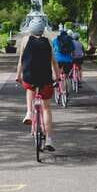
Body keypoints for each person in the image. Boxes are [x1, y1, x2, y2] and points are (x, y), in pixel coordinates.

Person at [17, 19, 60, 151]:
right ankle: (49, 140)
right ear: (43, 29)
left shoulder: (25, 40)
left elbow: (20, 61)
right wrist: (57, 77)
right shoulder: (48, 42)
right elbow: (54, 62)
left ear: (30, 29)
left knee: (29, 88)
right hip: (45, 78)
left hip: (29, 76)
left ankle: (29, 112)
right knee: (46, 108)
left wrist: (18, 75)